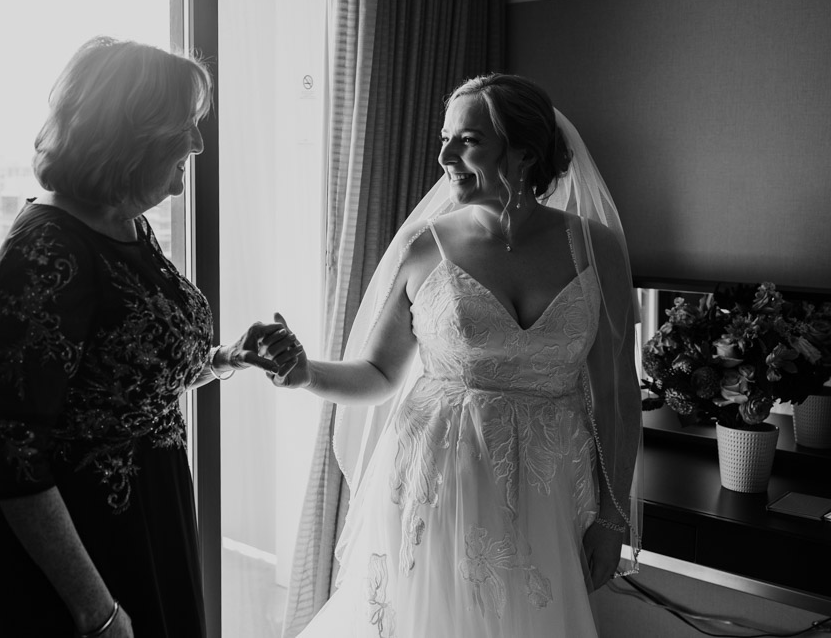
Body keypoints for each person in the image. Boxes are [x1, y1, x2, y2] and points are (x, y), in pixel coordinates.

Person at [263, 74, 643, 637]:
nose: (443, 155)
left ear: (523, 153)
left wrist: (614, 516)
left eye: (466, 140)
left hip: (552, 485)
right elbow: (378, 373)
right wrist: (304, 373)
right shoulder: (424, 247)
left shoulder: (594, 248)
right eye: (445, 138)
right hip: (438, 485)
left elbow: (616, 394)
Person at [0, 37, 295, 638]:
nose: (197, 143)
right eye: (185, 127)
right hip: (82, 546)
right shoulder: (47, 251)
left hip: (151, 514)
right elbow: (15, 459)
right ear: (129, 133)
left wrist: (224, 358)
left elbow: (125, 375)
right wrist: (96, 611)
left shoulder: (126, 223)